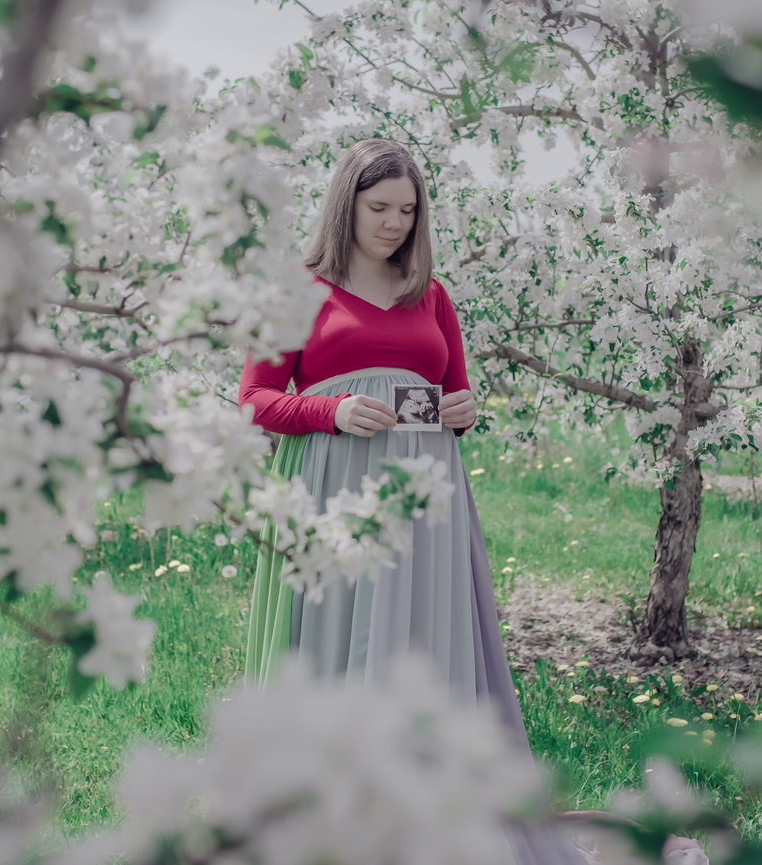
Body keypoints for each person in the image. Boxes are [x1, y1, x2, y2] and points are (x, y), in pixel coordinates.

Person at [238, 139, 587, 864]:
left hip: (430, 500)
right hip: (335, 494)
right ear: (346, 205)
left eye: (407, 209)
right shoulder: (298, 290)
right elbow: (255, 402)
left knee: (425, 649)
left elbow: (457, 392)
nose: (395, 223)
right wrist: (328, 413)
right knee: (343, 649)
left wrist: (464, 409)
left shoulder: (431, 294)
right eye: (379, 208)